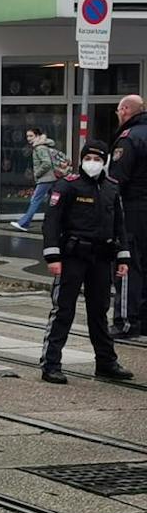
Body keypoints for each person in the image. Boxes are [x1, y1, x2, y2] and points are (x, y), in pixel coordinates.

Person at [40, 140, 134, 385]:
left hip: (101, 258)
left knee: (99, 312)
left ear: (105, 162)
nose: (93, 163)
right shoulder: (67, 186)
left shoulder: (112, 188)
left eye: (98, 159)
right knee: (63, 310)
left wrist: (123, 256)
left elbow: (120, 225)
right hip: (72, 257)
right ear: (81, 160)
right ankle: (51, 364)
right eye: (89, 158)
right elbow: (51, 222)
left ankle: (106, 363)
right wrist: (53, 256)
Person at [109, 93, 147, 339]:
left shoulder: (129, 137)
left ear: (125, 110)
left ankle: (126, 322)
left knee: (127, 263)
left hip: (133, 208)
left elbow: (116, 179)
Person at [6, 126, 65, 231]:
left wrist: (37, 173)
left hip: (45, 179)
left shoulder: (40, 148)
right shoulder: (42, 146)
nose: (28, 138)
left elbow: (46, 163)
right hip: (51, 178)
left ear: (37, 136)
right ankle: (56, 223)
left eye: (31, 136)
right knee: (53, 202)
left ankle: (24, 223)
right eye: (27, 136)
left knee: (35, 200)